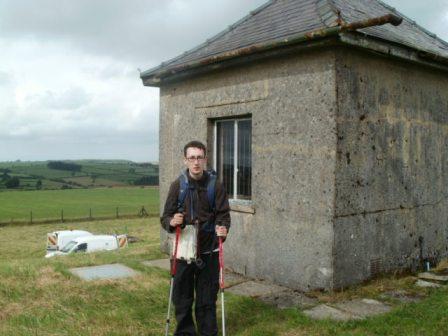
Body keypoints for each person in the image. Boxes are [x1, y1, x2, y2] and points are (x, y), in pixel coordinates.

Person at [161, 140, 231, 336]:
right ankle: (185, 333)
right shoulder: (178, 186)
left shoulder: (215, 186)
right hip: (182, 250)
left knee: (207, 299)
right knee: (182, 298)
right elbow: (165, 217)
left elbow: (223, 215)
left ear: (205, 159)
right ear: (185, 160)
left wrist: (223, 228)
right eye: (192, 158)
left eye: (199, 157)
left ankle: (207, 333)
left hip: (209, 252)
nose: (196, 162)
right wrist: (172, 221)